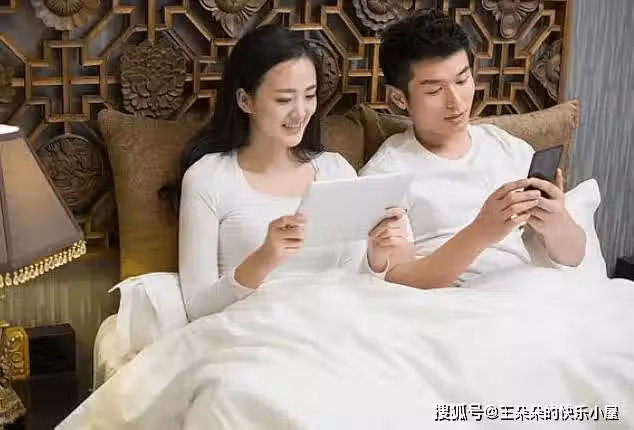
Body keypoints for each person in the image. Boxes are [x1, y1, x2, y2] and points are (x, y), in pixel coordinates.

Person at [178, 23, 411, 321]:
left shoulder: (336, 170)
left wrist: (376, 257)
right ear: (245, 101)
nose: (300, 112)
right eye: (284, 99)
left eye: (309, 96)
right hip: (251, 330)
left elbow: (355, 284)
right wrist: (264, 258)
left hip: (336, 325)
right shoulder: (208, 178)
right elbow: (197, 308)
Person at [360, 9, 586, 289]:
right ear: (399, 98)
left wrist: (556, 221)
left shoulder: (507, 147)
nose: (456, 102)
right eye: (434, 91)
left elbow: (574, 256)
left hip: (521, 289)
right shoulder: (386, 173)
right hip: (448, 300)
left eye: (462, 80)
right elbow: (397, 280)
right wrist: (482, 231)